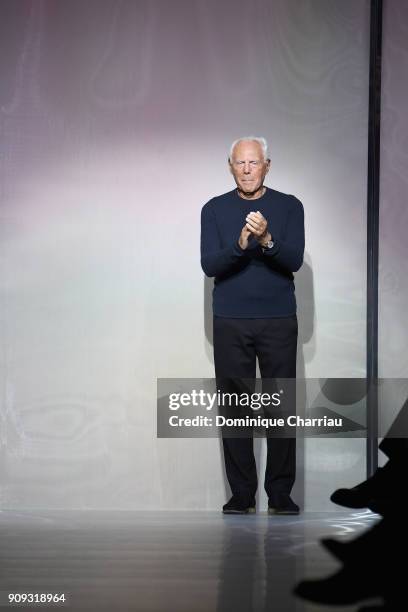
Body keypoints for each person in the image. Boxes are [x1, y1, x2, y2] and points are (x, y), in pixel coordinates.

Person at [200, 136, 305, 514]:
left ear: (267, 165)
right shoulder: (213, 209)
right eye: (240, 163)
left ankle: (280, 493)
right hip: (230, 321)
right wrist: (242, 243)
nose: (247, 170)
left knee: (281, 407)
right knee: (235, 408)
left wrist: (268, 239)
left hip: (278, 320)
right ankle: (242, 493)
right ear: (230, 166)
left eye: (254, 163)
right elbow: (210, 266)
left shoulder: (290, 206)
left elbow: (293, 260)